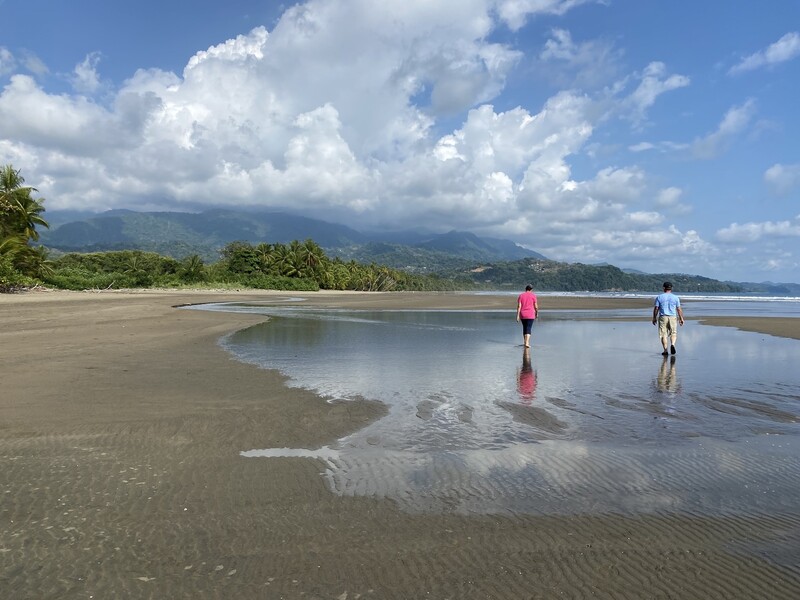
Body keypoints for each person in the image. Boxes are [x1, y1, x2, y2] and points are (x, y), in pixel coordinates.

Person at [652, 281, 685, 356]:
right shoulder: (675, 298)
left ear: (664, 288)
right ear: (671, 288)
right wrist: (681, 318)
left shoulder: (659, 297)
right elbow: (679, 309)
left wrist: (654, 317)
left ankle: (665, 350)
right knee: (673, 332)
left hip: (663, 317)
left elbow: (656, 308)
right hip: (673, 317)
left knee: (663, 334)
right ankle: (673, 344)